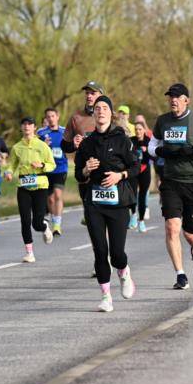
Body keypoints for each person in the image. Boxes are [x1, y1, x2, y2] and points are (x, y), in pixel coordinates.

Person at [75, 95, 139, 312]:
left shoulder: (122, 139)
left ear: (111, 113)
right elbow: (78, 175)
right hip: (94, 203)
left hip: (119, 202)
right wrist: (86, 170)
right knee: (100, 251)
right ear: (93, 114)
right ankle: (105, 297)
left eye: (105, 108)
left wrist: (119, 176)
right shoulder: (87, 143)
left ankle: (124, 272)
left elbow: (135, 167)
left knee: (117, 253)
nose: (100, 111)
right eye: (97, 108)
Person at [148, 83, 193, 290]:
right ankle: (180, 275)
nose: (173, 100)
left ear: (187, 100)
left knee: (190, 234)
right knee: (171, 227)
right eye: (171, 97)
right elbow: (152, 145)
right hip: (170, 181)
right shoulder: (163, 121)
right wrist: (160, 153)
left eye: (178, 97)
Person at [4, 116, 54, 261]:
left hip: (40, 186)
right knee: (25, 221)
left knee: (36, 223)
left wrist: (42, 165)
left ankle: (44, 226)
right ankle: (29, 253)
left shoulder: (42, 146)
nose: (26, 127)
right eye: (24, 124)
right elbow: (11, 165)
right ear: (21, 128)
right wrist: (8, 172)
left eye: (29, 124)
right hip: (23, 186)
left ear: (34, 128)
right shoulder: (17, 147)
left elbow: (52, 164)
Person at [61, 81, 104, 225]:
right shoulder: (76, 117)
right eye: (87, 93)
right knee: (90, 213)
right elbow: (64, 146)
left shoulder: (111, 116)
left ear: (101, 95)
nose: (89, 96)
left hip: (105, 169)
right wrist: (73, 144)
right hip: (84, 171)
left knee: (104, 213)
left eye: (93, 93)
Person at [36, 107, 67, 237]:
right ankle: (53, 217)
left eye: (52, 116)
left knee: (58, 195)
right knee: (50, 198)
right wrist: (43, 144)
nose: (50, 118)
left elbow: (71, 147)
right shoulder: (41, 133)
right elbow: (35, 150)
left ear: (57, 117)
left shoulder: (65, 131)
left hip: (60, 168)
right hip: (46, 168)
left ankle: (57, 224)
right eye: (48, 116)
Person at [132, 119, 152, 233]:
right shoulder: (132, 141)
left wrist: (147, 151)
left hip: (145, 169)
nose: (138, 132)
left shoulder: (149, 141)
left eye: (140, 129)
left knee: (142, 196)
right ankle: (133, 216)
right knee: (133, 193)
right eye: (136, 130)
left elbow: (154, 156)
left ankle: (141, 221)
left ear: (144, 130)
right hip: (134, 170)